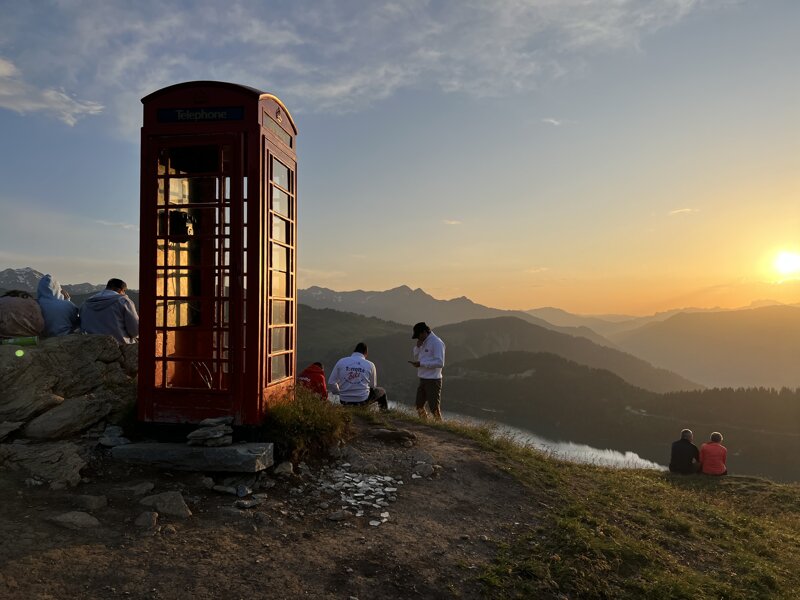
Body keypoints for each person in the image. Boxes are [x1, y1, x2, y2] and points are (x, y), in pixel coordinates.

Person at [327, 342, 388, 410]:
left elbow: (331, 382)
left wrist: (339, 392)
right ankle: (385, 413)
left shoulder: (341, 361)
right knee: (382, 391)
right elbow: (373, 386)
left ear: (354, 351)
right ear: (366, 353)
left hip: (344, 401)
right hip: (362, 401)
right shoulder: (370, 365)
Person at [80, 278, 139, 344]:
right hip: (119, 346)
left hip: (91, 345)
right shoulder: (124, 301)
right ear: (121, 290)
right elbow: (135, 331)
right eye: (124, 291)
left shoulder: (86, 303)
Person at [409, 322, 446, 421]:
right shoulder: (423, 341)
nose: (418, 338)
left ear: (424, 332)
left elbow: (440, 362)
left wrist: (422, 364)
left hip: (433, 380)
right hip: (423, 378)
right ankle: (425, 423)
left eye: (418, 336)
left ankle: (440, 426)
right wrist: (418, 347)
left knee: (434, 408)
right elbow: (416, 356)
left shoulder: (437, 343)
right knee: (419, 405)